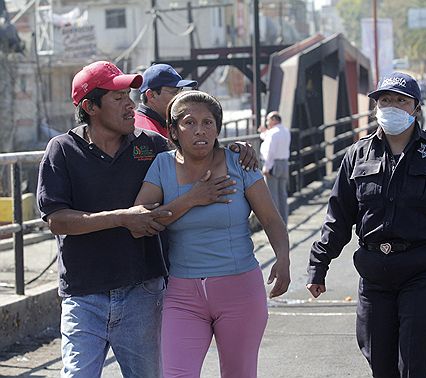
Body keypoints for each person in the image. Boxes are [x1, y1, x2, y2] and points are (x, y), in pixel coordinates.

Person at [36, 61, 257, 378]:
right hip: (84, 295)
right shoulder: (62, 150)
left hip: (143, 292)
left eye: (129, 95)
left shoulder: (150, 145)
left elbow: (196, 155)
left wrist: (235, 151)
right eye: (118, 98)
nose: (130, 104)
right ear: (89, 106)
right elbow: (57, 220)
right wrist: (123, 218)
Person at [307, 71, 426, 378]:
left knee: (416, 366)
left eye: (401, 101)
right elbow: (338, 216)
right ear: (375, 107)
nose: (393, 107)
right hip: (375, 273)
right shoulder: (357, 155)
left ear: (416, 108)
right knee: (381, 365)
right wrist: (319, 264)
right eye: (386, 100)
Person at [134, 90, 290, 378]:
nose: (200, 130)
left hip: (240, 290)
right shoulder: (162, 165)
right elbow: (140, 219)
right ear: (174, 130)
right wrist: (192, 198)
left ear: (218, 128)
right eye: (189, 123)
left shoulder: (239, 163)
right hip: (182, 295)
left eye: (208, 123)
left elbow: (271, 218)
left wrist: (283, 258)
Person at [135, 63, 198, 138]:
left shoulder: (165, 123)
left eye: (180, 91)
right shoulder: (143, 131)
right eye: (174, 92)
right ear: (151, 95)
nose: (180, 97)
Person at [258, 111, 291, 225]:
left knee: (273, 196)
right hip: (284, 163)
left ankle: (276, 224)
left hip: (273, 164)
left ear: (274, 120)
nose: (267, 122)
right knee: (283, 194)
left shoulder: (272, 133)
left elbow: (270, 152)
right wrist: (264, 133)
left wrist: (266, 167)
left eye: (268, 120)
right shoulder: (285, 131)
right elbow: (269, 137)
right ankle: (284, 222)